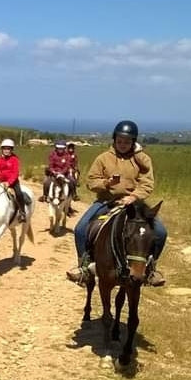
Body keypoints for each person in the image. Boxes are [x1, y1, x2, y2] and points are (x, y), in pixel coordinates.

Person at [65, 120, 167, 287]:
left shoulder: (142, 159)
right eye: (119, 141)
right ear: (114, 140)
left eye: (127, 142)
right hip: (106, 201)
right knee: (81, 229)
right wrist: (107, 184)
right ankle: (83, 268)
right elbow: (91, 181)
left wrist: (134, 197)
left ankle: (150, 269)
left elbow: (147, 183)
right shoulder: (103, 158)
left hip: (134, 203)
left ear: (133, 142)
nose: (123, 144)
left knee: (161, 232)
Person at [0, 138, 27, 222]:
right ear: (2, 149)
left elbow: (15, 173)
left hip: (12, 182)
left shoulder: (15, 160)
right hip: (0, 181)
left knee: (19, 194)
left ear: (11, 150)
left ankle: (22, 213)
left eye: (8, 149)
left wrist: (9, 182)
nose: (6, 150)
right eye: (4, 148)